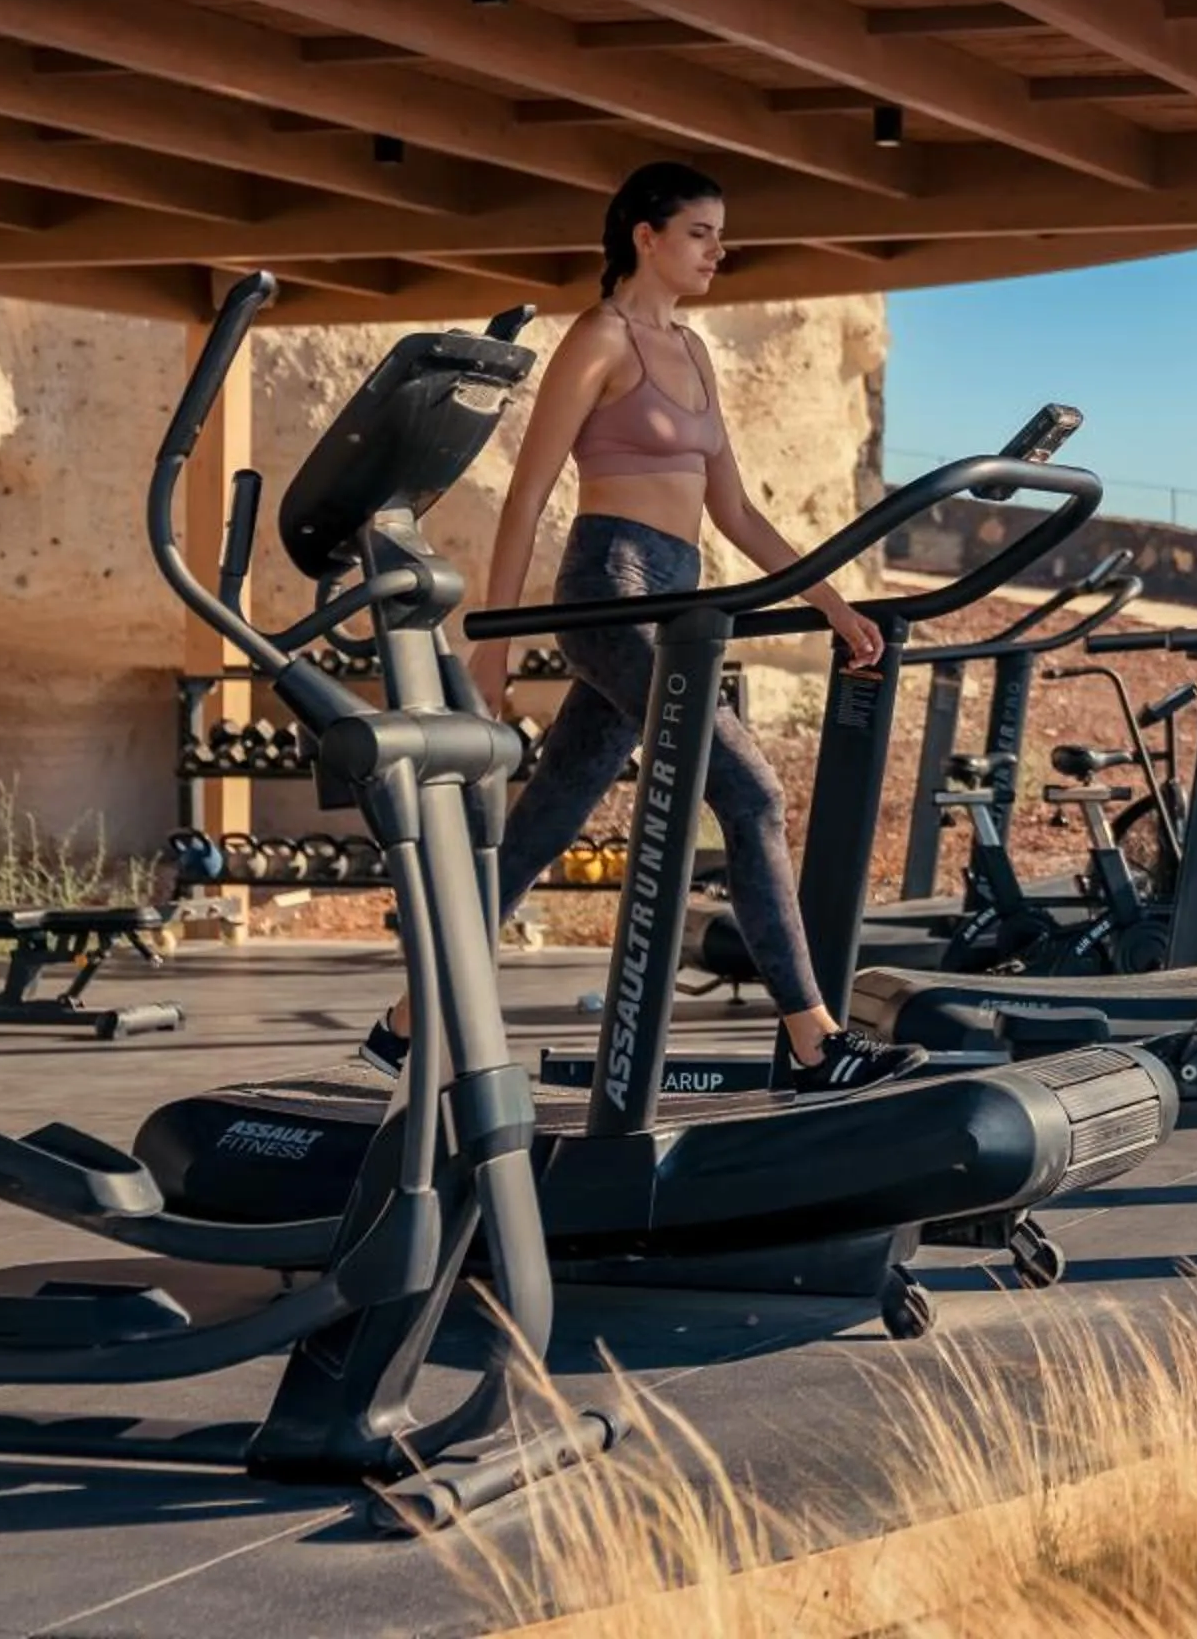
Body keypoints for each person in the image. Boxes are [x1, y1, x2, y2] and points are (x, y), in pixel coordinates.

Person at [363, 161, 927, 1095]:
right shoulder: (600, 337)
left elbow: (736, 511)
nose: (717, 248)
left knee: (543, 823)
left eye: (718, 232)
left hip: (676, 596)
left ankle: (404, 1026)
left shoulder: (697, 352)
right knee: (750, 795)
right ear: (647, 237)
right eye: (701, 231)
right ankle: (818, 1040)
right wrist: (492, 648)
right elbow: (529, 494)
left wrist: (832, 602)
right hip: (609, 589)